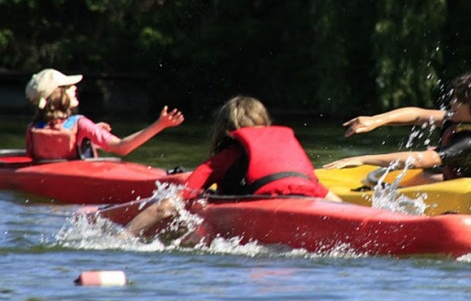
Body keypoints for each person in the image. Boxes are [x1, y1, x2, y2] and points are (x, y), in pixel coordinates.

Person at [123, 95, 341, 237]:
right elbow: (334, 202)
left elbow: (165, 207)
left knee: (192, 238)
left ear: (225, 131)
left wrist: (121, 237)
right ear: (265, 123)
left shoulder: (221, 160)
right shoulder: (287, 155)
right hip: (307, 207)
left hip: (259, 222)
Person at [323, 72, 471, 186]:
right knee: (426, 174)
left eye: (459, 100)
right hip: (458, 174)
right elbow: (417, 115)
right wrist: (375, 121)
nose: (452, 102)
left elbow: (421, 160)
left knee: (423, 172)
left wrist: (363, 159)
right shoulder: (467, 120)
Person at [24, 68, 184, 160]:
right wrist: (160, 124)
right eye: (68, 86)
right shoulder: (80, 123)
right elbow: (122, 147)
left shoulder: (33, 128)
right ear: (58, 95)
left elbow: (52, 154)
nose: (74, 88)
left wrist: (88, 139)